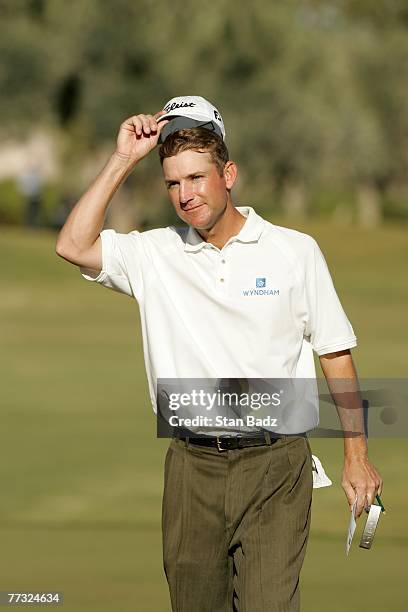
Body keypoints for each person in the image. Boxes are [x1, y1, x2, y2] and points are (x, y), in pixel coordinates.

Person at [55, 96, 383, 611]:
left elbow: (335, 354)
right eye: (172, 183)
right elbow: (73, 245)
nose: (185, 195)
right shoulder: (155, 252)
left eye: (197, 178)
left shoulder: (294, 251)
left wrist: (357, 458)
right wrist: (122, 159)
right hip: (192, 469)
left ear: (228, 174)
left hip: (277, 465)